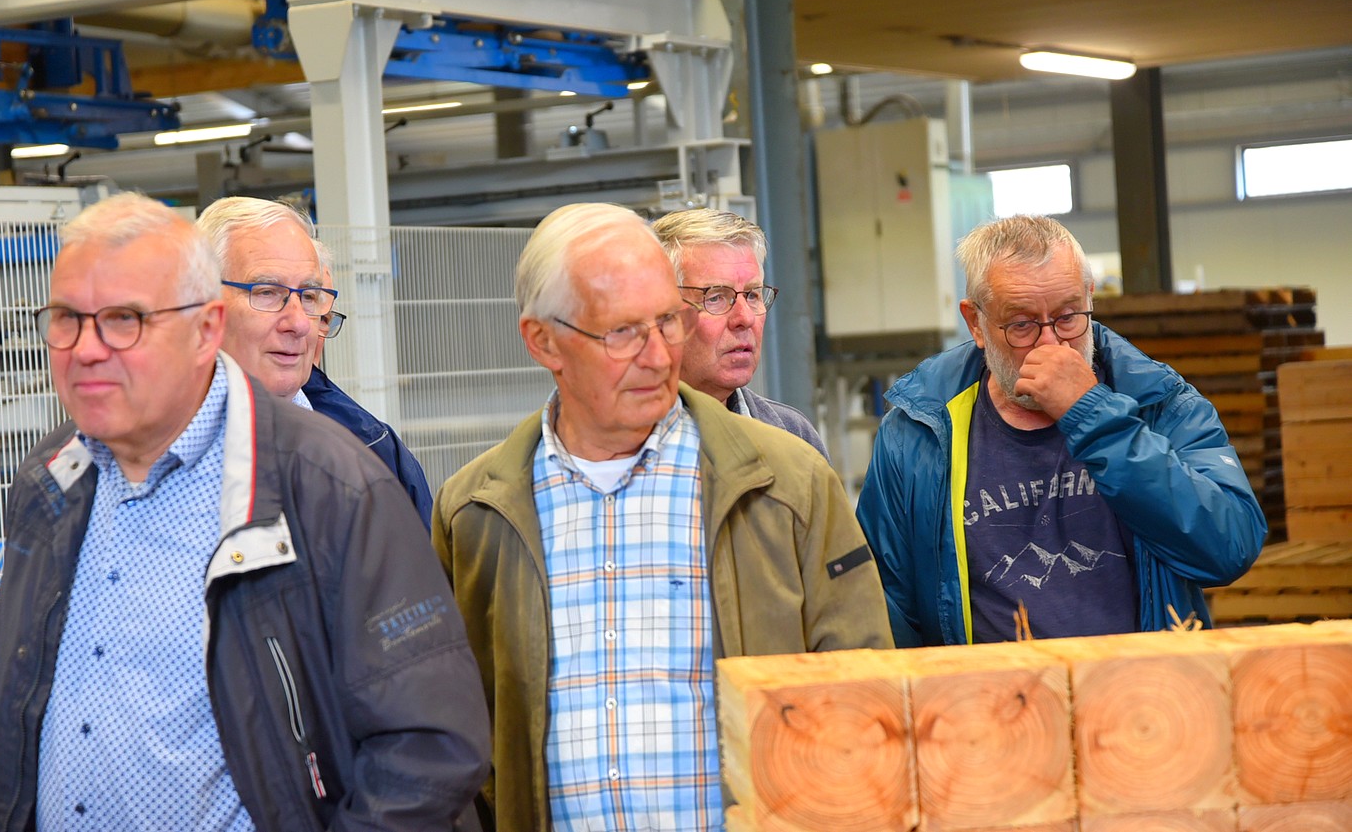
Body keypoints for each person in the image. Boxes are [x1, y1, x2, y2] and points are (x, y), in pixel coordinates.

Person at [0, 192, 489, 831]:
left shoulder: (336, 482)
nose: (88, 348)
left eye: (124, 320)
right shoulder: (51, 481)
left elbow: (428, 742)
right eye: (68, 319)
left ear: (203, 330)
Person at [433, 202, 893, 831]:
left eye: (668, 323)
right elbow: (453, 735)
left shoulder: (789, 482)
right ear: (542, 341)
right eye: (623, 331)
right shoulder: (475, 515)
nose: (656, 357)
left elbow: (861, 692)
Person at [856, 214, 1266, 648]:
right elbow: (885, 610)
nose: (1050, 344)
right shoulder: (918, 431)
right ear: (976, 323)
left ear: (1090, 297)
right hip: (990, 689)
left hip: (1141, 685)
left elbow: (1229, 547)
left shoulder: (1159, 402)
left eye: (1068, 317)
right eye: (1021, 324)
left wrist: (1092, 414)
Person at [196, 196, 433, 528]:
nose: (301, 324)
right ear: (201, 303)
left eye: (309, 297)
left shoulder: (371, 449)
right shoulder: (145, 449)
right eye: (266, 292)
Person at [652, 207, 828, 457]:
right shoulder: (618, 447)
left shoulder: (795, 437)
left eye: (753, 295)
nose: (745, 318)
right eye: (715, 297)